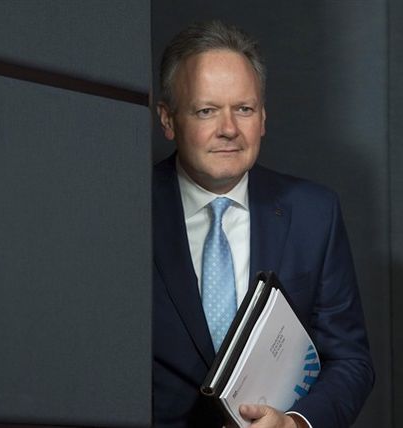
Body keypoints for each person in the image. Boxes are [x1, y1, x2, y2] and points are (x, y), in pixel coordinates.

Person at [152, 21, 374, 428]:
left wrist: (295, 423)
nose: (229, 129)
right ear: (168, 120)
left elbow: (350, 360)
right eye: (206, 111)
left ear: (263, 118)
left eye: (244, 109)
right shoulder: (126, 213)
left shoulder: (314, 213)